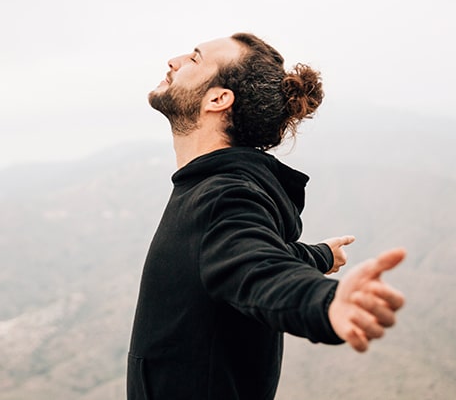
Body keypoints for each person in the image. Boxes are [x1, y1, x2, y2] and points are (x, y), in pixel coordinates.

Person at [127, 33, 406, 400]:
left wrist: (326, 303)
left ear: (218, 98)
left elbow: (258, 268)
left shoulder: (221, 197)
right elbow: (245, 252)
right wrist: (320, 255)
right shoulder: (221, 188)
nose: (173, 60)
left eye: (195, 58)